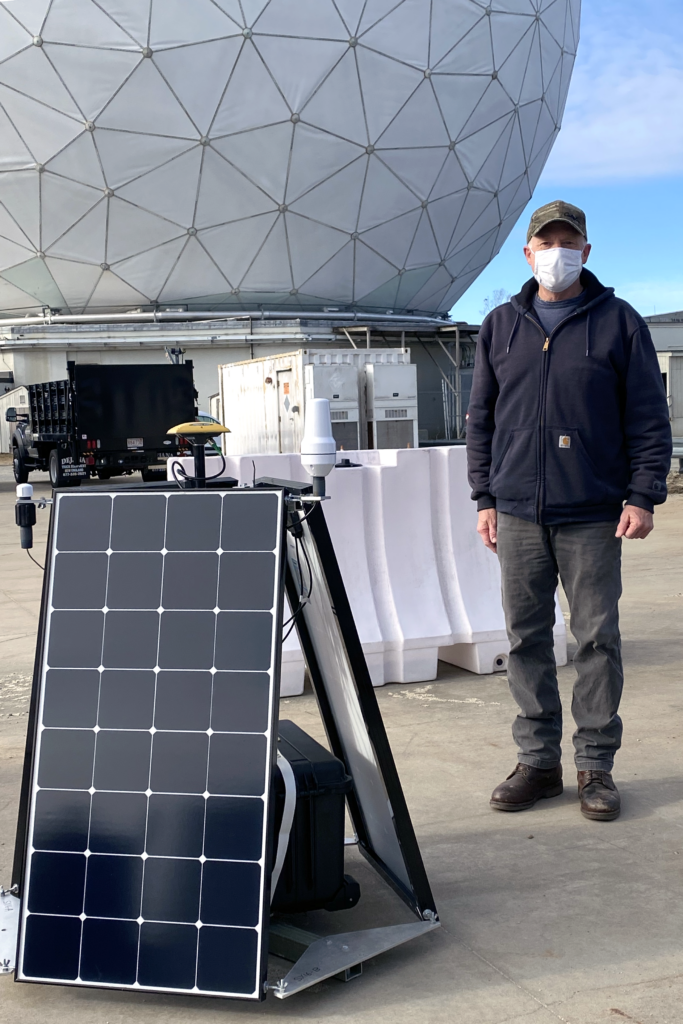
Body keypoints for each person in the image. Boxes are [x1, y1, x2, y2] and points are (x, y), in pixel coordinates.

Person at [466, 200, 672, 822]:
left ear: (586, 250)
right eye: (545, 241)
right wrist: (485, 497)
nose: (557, 252)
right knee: (526, 640)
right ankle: (538, 764)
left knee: (595, 641)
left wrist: (642, 493)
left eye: (568, 241)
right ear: (527, 253)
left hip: (592, 514)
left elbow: (648, 418)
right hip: (519, 511)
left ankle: (595, 768)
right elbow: (481, 420)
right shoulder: (501, 324)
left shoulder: (619, 323)